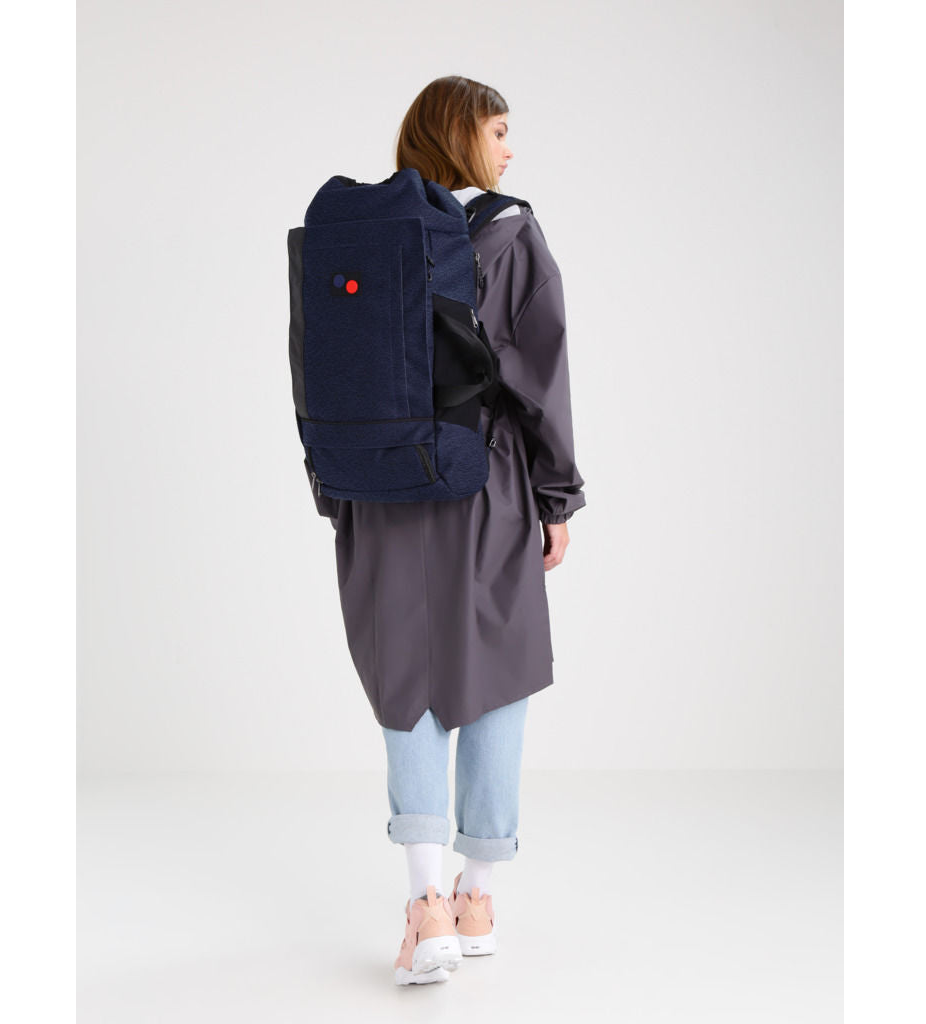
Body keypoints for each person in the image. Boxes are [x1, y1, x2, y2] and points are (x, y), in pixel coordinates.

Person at [305, 76, 586, 985]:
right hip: (483, 482)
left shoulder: (363, 235)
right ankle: (476, 898)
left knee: (407, 682)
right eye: (498, 130)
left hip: (378, 488)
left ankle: (424, 905)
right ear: (463, 136)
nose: (510, 149)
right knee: (496, 673)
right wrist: (556, 496)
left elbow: (311, 363)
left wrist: (333, 487)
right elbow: (540, 375)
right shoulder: (508, 232)